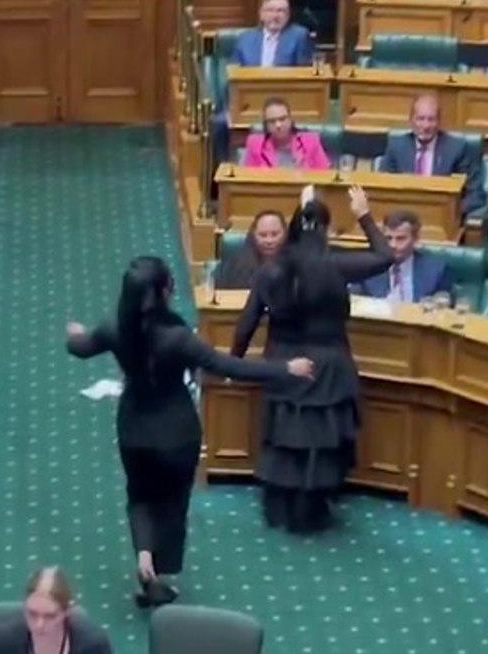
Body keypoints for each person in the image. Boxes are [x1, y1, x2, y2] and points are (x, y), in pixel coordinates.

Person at [67, 256, 313, 605]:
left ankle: (144, 558)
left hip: (134, 428)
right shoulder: (179, 338)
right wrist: (286, 368)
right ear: (164, 291)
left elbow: (79, 348)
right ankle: (161, 569)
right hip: (177, 432)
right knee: (173, 502)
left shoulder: (113, 329)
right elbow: (229, 367)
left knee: (139, 497)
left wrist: (76, 335)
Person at [230, 187, 395, 534]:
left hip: (284, 365)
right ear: (326, 230)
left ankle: (281, 507)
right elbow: (385, 256)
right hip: (329, 366)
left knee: (286, 437)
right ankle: (313, 511)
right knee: (320, 441)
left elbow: (246, 324)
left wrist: (234, 363)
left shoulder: (271, 271)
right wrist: (364, 215)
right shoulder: (335, 265)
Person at [240, 98, 330, 170]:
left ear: (291, 119)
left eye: (282, 119)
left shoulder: (311, 141)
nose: (278, 125)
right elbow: (247, 179)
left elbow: (325, 177)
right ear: (265, 125)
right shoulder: (255, 144)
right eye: (272, 121)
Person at [214, 210, 286, 290]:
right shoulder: (233, 268)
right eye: (263, 235)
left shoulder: (296, 264)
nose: (269, 241)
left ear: (285, 234)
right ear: (253, 235)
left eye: (275, 234)